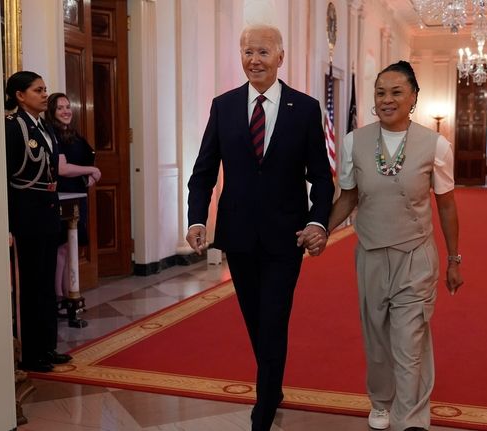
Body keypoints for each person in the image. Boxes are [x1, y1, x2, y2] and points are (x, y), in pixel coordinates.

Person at [186, 24, 334, 431]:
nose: (255, 59)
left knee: (273, 318)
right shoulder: (224, 105)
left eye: (263, 52)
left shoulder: (304, 109)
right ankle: (273, 381)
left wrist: (317, 220)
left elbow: (321, 176)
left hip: (287, 237)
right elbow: (203, 171)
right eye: (248, 52)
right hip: (238, 236)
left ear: (280, 57)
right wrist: (197, 218)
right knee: (256, 318)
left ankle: (264, 405)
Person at [322, 60, 464, 431]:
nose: (387, 99)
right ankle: (381, 402)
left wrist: (454, 259)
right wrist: (321, 229)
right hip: (370, 253)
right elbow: (348, 197)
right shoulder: (355, 141)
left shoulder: (437, 145)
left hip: (415, 255)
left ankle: (411, 417)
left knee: (408, 337)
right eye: (380, 92)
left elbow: (446, 205)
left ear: (414, 97)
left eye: (396, 92)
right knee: (377, 336)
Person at [4, 71, 72, 372]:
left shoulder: (44, 126)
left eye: (45, 89)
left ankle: (47, 347)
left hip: (47, 210)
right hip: (27, 213)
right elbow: (6, 177)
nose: (45, 95)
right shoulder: (14, 127)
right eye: (37, 90)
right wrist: (5, 223)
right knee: (31, 287)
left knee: (45, 284)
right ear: (20, 95)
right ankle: (32, 354)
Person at [45, 93, 102, 299]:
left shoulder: (73, 134)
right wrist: (91, 170)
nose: (66, 111)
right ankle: (60, 296)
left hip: (77, 195)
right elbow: (61, 168)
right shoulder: (52, 134)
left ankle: (68, 293)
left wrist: (91, 176)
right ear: (51, 111)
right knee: (61, 248)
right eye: (60, 108)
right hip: (62, 197)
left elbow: (85, 161)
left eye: (68, 106)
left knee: (69, 247)